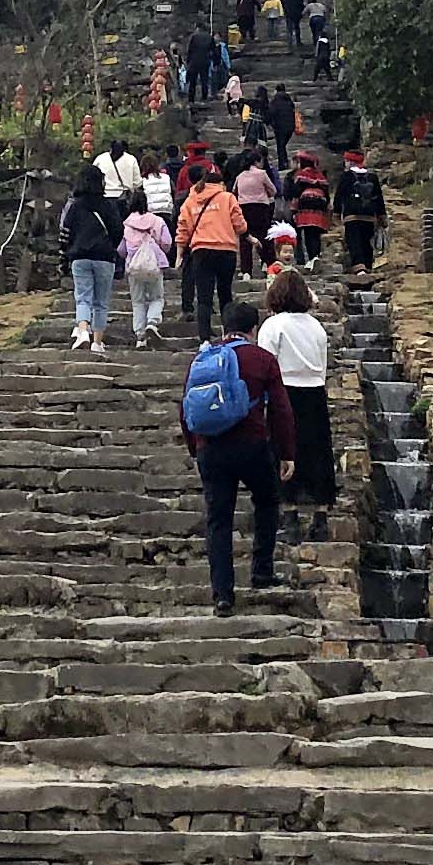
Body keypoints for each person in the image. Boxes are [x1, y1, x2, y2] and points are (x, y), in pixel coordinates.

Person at [181, 296, 293, 610]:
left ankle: (222, 594)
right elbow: (281, 409)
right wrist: (287, 452)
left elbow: (186, 405)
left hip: (211, 447)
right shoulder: (263, 359)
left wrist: (195, 447)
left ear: (225, 327)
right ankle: (261, 571)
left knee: (218, 519)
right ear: (253, 329)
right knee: (267, 501)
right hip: (252, 444)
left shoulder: (202, 358)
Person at [263, 267, 336, 509]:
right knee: (318, 450)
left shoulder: (273, 325)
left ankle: (289, 507)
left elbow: (267, 362)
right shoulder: (316, 326)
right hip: (314, 390)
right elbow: (322, 363)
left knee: (284, 447)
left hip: (284, 391)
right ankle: (321, 509)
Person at [176, 162, 247, 337]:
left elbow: (183, 228)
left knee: (203, 297)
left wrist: (179, 254)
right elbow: (239, 224)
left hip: (201, 250)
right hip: (226, 249)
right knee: (225, 294)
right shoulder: (227, 197)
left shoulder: (189, 201)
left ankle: (204, 338)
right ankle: (228, 333)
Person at [60, 162, 125, 352]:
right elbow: (118, 230)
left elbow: (65, 232)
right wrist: (109, 245)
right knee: (101, 302)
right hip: (104, 257)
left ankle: (82, 332)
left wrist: (66, 252)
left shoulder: (75, 206)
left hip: (79, 257)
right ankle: (97, 342)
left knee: (82, 297)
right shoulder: (108, 205)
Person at [120, 190, 174, 346]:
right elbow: (167, 242)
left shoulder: (127, 224)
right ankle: (152, 322)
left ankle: (140, 335)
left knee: (138, 301)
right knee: (156, 297)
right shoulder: (157, 221)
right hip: (154, 265)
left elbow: (121, 249)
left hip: (134, 267)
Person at [335, 146, 386, 274]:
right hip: (369, 216)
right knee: (366, 241)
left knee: (354, 241)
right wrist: (381, 215)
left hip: (351, 216)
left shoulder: (346, 176)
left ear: (350, 161)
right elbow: (378, 197)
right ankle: (368, 265)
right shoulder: (372, 177)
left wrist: (336, 213)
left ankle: (359, 266)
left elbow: (339, 195)